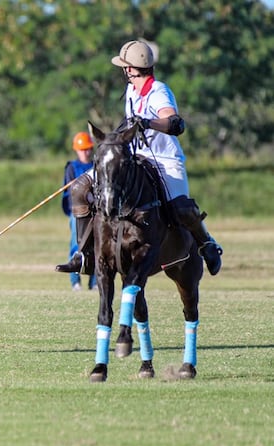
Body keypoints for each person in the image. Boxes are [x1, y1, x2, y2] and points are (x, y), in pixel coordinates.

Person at [56, 40, 223, 276]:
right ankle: (85, 255)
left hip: (164, 159)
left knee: (181, 208)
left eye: (124, 66)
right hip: (134, 158)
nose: (123, 71)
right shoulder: (131, 91)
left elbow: (174, 122)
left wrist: (148, 122)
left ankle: (207, 243)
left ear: (131, 68)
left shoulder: (159, 91)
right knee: (80, 188)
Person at [62, 132, 97, 291]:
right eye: (82, 149)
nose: (86, 152)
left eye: (88, 149)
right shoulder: (71, 167)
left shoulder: (96, 166)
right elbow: (69, 194)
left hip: (96, 213)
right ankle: (75, 281)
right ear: (76, 150)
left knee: (98, 246)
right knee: (77, 245)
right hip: (77, 214)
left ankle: (95, 282)